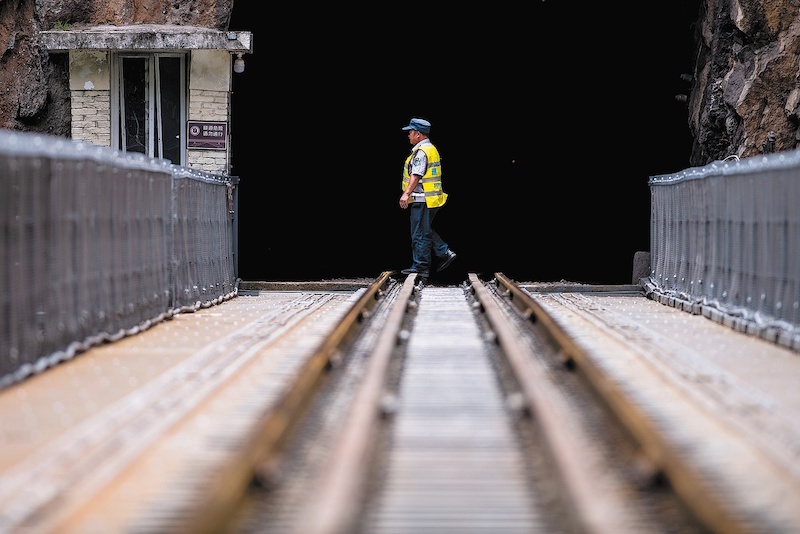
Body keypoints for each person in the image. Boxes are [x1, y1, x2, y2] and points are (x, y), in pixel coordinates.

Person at [399, 118, 457, 282]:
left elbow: (416, 175)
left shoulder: (422, 152)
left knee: (419, 233)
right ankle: (441, 254)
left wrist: (406, 194)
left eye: (410, 132)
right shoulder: (429, 149)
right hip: (427, 199)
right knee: (423, 231)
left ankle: (422, 267)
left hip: (423, 199)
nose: (408, 135)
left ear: (418, 134)